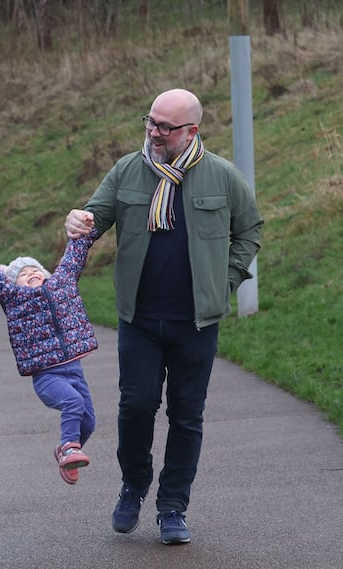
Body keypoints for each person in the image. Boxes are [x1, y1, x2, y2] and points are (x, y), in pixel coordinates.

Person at [65, 88, 263, 545]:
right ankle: (133, 485)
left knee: (186, 415)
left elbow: (249, 230)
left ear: (192, 130)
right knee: (136, 406)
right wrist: (80, 221)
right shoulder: (128, 171)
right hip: (140, 320)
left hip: (196, 322)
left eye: (165, 126)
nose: (153, 132)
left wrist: (226, 280)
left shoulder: (222, 177)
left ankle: (173, 506)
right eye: (150, 122)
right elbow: (95, 216)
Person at [0, 232, 98, 485]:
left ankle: (66, 452)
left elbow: (72, 259)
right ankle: (69, 448)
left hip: (74, 371)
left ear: (46, 275)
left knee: (88, 422)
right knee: (72, 402)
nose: (31, 274)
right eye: (23, 275)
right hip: (47, 377)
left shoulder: (61, 286)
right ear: (15, 284)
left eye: (35, 270)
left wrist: (82, 236)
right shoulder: (14, 298)